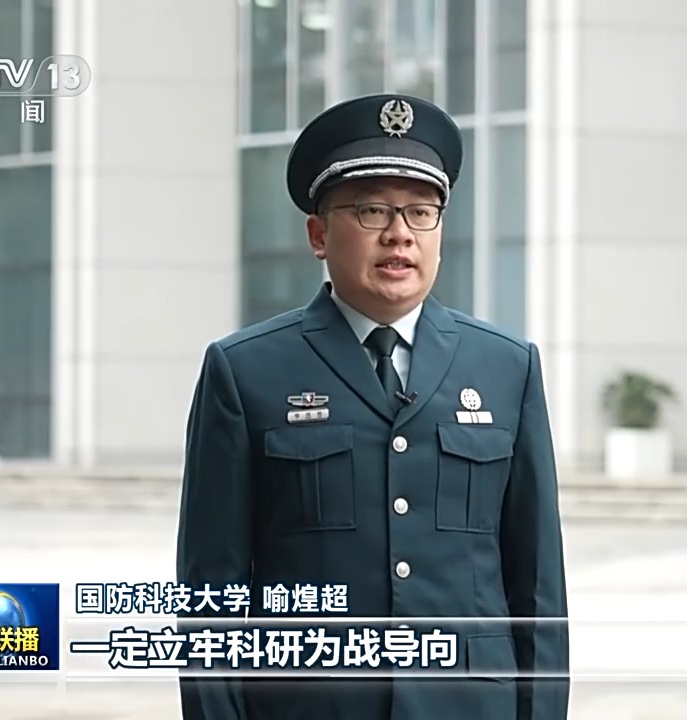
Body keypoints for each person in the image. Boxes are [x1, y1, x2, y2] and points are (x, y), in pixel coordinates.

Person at [175, 93, 571, 720]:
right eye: (371, 210)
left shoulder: (506, 367)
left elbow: (539, 588)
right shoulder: (246, 371)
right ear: (318, 234)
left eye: (422, 212)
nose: (399, 234)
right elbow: (208, 596)